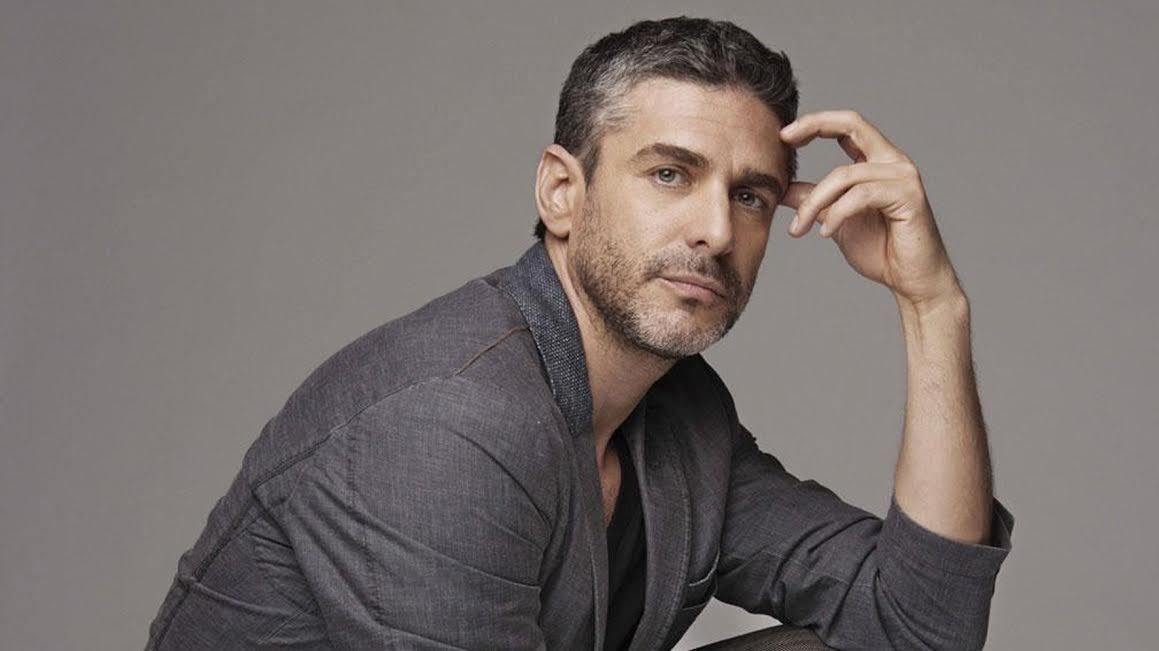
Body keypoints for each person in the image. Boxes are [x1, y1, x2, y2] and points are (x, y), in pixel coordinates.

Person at [147, 16, 1015, 651]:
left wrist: (931, 305)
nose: (716, 229)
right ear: (561, 192)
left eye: (750, 195)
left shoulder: (681, 419)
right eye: (669, 174)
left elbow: (917, 626)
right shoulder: (447, 420)